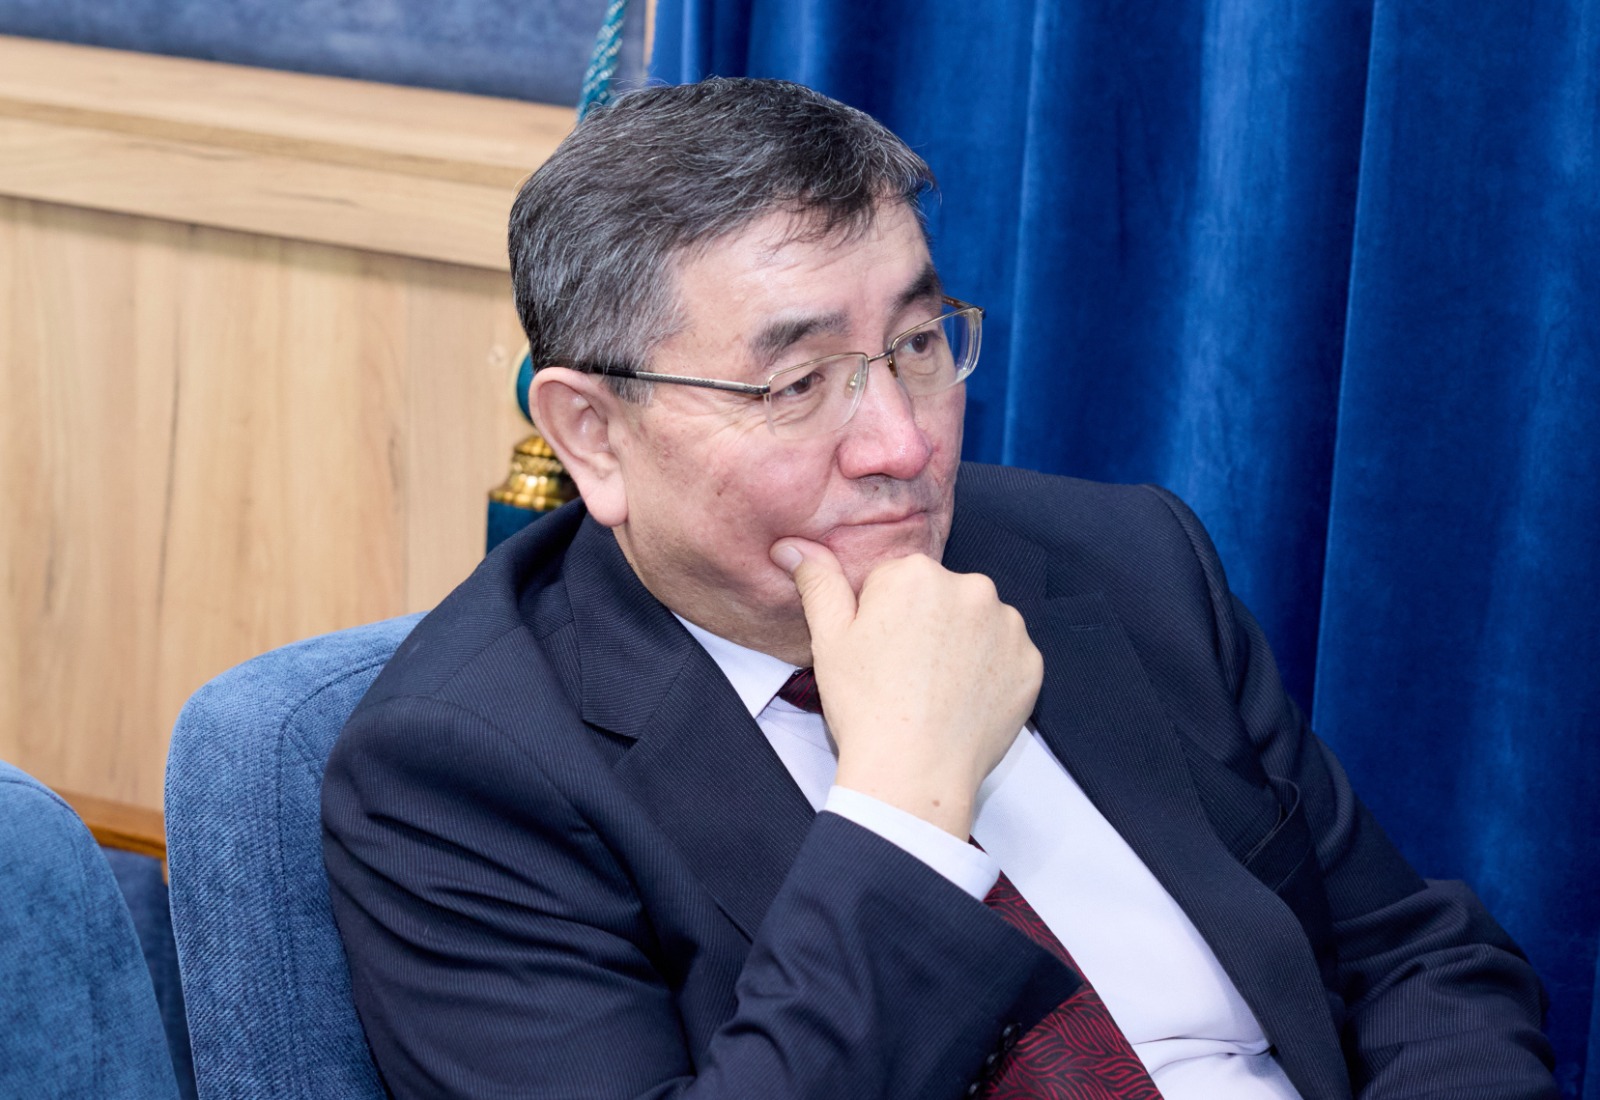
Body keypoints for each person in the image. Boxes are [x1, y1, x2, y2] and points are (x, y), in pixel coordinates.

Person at [321, 78, 1557, 1099]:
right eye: (797, 384)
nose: (903, 444)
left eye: (916, 346)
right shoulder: (461, 774)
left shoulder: (1122, 557)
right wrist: (906, 808)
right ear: (592, 434)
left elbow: (1414, 957)